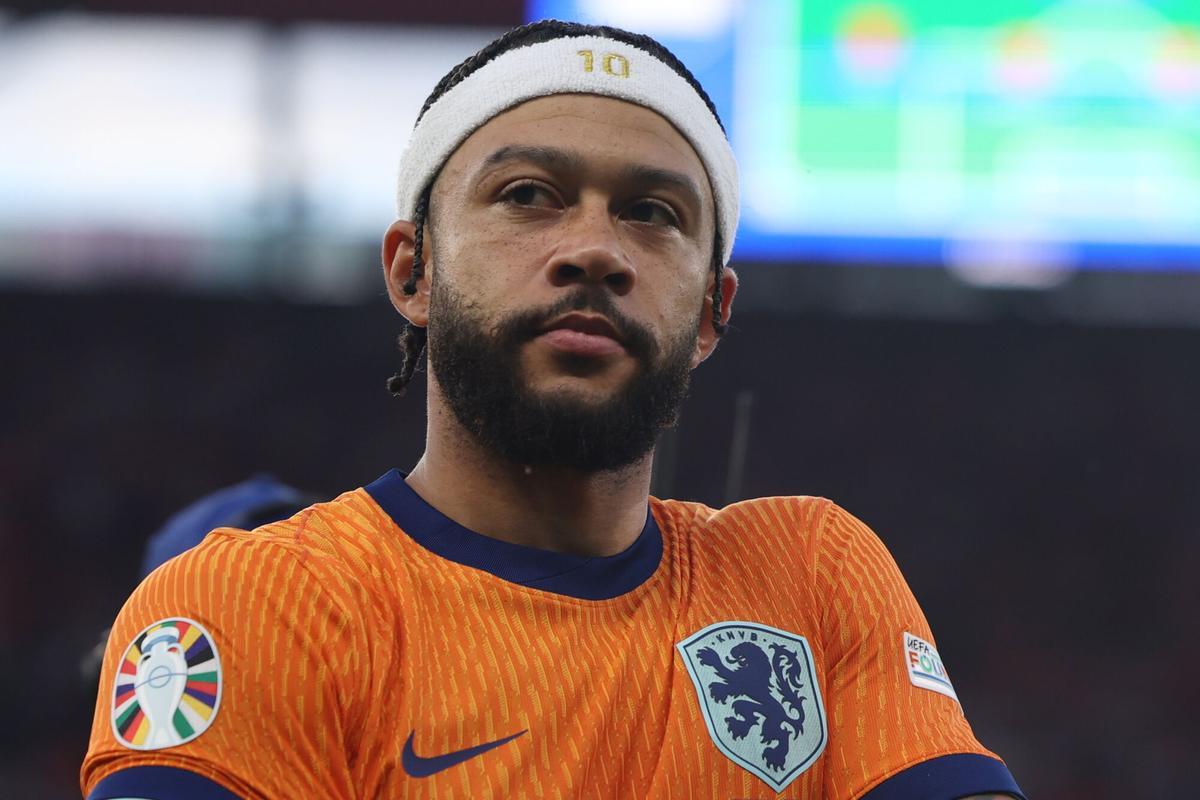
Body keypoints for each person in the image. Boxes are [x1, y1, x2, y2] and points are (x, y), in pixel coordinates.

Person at [81, 19, 1025, 800]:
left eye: (653, 213)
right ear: (414, 271)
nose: (594, 250)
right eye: (528, 196)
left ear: (711, 312)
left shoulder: (811, 578)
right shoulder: (261, 604)